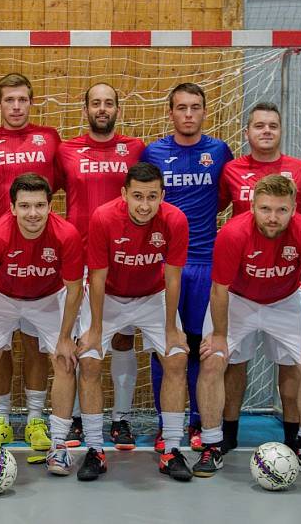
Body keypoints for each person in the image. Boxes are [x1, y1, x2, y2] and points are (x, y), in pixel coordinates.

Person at [193, 174, 301, 481]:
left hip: (285, 301)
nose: (273, 217)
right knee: (213, 362)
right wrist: (218, 336)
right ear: (253, 207)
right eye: (266, 209)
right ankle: (212, 444)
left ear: (294, 208)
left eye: (281, 210)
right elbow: (219, 290)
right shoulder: (232, 234)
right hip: (238, 301)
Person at [217, 101, 301, 453]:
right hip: (241, 289)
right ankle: (228, 437)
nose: (266, 131)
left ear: (281, 131)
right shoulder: (231, 169)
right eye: (259, 125)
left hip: (285, 287)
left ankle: (298, 441)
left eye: (273, 125)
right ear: (247, 132)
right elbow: (216, 212)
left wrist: (295, 260)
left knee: (295, 365)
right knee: (232, 364)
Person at [76, 162, 191, 482]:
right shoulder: (103, 217)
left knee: (177, 358)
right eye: (137, 196)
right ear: (124, 193)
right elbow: (96, 277)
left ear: (162, 196)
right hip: (109, 295)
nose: (144, 205)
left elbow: (173, 277)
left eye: (152, 197)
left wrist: (171, 328)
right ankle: (95, 450)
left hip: (153, 296)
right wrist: (96, 330)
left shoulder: (175, 220)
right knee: (88, 361)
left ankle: (170, 449)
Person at [0, 73, 63, 449]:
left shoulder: (51, 139)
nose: (16, 107)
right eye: (9, 100)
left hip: (42, 259)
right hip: (0, 260)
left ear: (31, 101)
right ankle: (4, 417)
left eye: (22, 99)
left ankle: (38, 419)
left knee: (37, 345)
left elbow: (55, 186)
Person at [141, 83, 233, 452]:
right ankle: (168, 424)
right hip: (165, 265)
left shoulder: (218, 151)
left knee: (200, 346)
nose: (189, 114)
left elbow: (224, 197)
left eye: (196, 107)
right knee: (167, 344)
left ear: (205, 112)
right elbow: (144, 205)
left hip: (206, 263)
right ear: (171, 113)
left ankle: (198, 421)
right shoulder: (154, 153)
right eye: (182, 107)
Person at [55, 82, 145, 449]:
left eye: (109, 103)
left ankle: (121, 419)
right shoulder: (66, 151)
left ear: (117, 110)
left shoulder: (136, 149)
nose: (102, 109)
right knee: (80, 340)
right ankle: (78, 418)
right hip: (77, 259)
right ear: (85, 109)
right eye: (96, 103)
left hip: (123, 257)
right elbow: (39, 191)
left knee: (123, 337)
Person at [0, 173, 82, 456]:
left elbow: (73, 290)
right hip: (2, 296)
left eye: (39, 205)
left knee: (65, 360)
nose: (32, 213)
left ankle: (57, 444)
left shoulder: (66, 235)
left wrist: (67, 337)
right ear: (12, 208)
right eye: (24, 206)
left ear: (49, 206)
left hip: (48, 297)